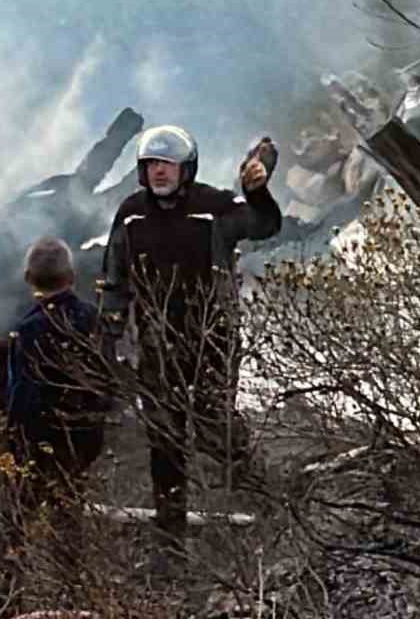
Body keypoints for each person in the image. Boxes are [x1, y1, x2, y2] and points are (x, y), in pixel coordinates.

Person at [98, 125, 280, 569]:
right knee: (165, 440)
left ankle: (269, 502)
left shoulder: (213, 208)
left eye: (167, 164)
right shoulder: (131, 215)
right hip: (158, 345)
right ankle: (170, 539)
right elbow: (116, 279)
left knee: (217, 429)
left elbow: (264, 226)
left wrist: (258, 192)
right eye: (151, 165)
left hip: (212, 338)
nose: (159, 172)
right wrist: (110, 333)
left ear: (186, 168)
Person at [3, 237, 116, 603]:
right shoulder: (92, 319)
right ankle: (72, 588)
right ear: (72, 275)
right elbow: (107, 377)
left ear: (28, 278)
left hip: (38, 437)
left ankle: (10, 591)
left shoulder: (29, 328)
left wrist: (14, 438)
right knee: (69, 511)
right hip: (82, 435)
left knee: (20, 513)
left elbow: (22, 392)